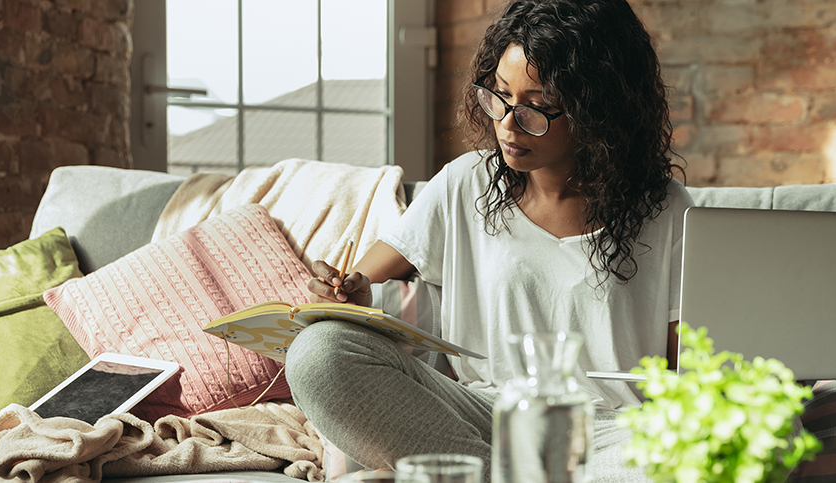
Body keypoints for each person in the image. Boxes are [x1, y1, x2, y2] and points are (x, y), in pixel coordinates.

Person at [284, 0, 693, 481]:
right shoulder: (464, 183)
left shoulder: (666, 206)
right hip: (481, 417)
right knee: (319, 353)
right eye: (499, 95)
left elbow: (688, 369)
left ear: (598, 110)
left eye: (535, 107)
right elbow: (354, 287)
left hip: (614, 437)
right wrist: (347, 292)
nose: (506, 122)